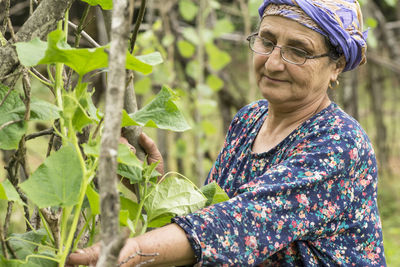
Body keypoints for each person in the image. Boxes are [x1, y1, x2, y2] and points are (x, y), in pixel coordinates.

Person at [68, 0, 387, 266]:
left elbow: (241, 224)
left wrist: (129, 252)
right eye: (267, 41)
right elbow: (211, 216)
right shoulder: (249, 120)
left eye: (298, 50)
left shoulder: (340, 143)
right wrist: (152, 188)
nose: (273, 63)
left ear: (336, 65)